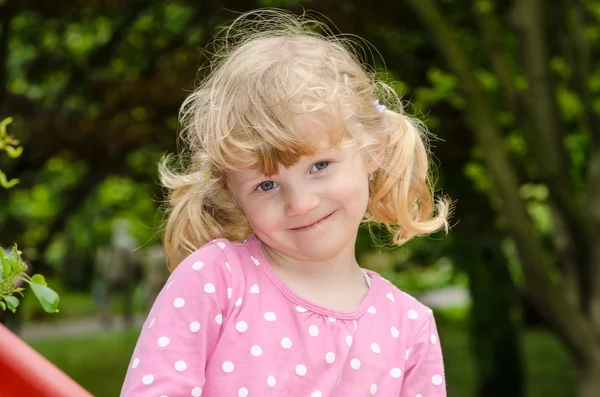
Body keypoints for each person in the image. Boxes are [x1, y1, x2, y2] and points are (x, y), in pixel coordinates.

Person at [121, 9, 450, 397]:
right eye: (266, 186)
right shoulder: (214, 281)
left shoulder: (410, 326)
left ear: (372, 151)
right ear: (231, 192)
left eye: (320, 165)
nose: (300, 202)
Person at [95, 218, 140, 328]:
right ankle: (127, 319)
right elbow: (135, 261)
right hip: (125, 276)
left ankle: (106, 318)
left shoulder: (113, 241)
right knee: (127, 298)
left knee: (108, 298)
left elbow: (104, 261)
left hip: (109, 276)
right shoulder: (131, 242)